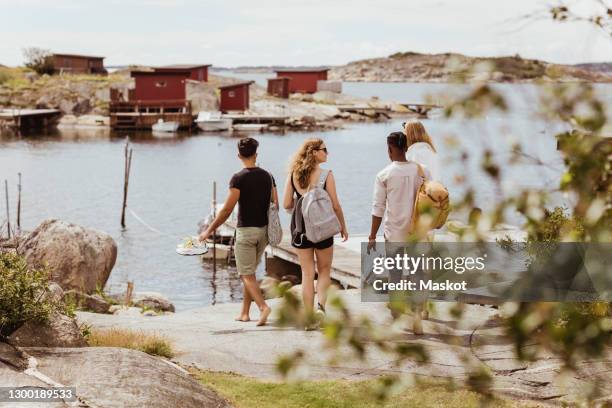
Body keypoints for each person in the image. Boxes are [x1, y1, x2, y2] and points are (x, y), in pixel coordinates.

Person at [199, 137, 274, 326]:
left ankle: (263, 307)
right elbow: (275, 204)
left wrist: (208, 231)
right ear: (256, 154)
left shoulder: (238, 178)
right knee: (251, 273)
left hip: (246, 232)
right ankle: (244, 313)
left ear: (239, 155)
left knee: (245, 275)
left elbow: (226, 210)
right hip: (264, 232)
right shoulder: (268, 176)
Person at [368, 131, 431, 334]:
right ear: (406, 148)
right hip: (417, 233)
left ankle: (397, 313)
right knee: (417, 274)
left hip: (394, 233)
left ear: (390, 149)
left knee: (395, 275)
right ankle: (417, 316)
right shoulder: (423, 171)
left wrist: (371, 236)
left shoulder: (384, 174)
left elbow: (378, 209)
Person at [282, 138, 348, 324]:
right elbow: (335, 205)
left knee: (307, 273)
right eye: (324, 150)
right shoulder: (326, 175)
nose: (327, 153)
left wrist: (303, 204)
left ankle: (308, 316)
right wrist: (342, 226)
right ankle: (321, 309)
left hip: (301, 230)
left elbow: (287, 204)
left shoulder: (293, 174)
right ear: (313, 152)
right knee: (325, 270)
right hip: (323, 229)